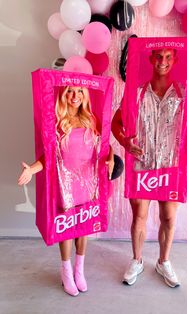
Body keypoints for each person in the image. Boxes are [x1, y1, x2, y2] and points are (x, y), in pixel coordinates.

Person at [112, 48, 187, 288]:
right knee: (139, 217)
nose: (162, 61)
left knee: (169, 218)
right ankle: (137, 260)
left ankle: (163, 262)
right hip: (141, 164)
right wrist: (124, 142)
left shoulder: (185, 94)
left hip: (171, 166)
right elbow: (116, 122)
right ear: (151, 59)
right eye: (158, 56)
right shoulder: (136, 92)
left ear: (174, 60)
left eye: (167, 57)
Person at [18, 86, 114, 296]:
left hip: (88, 180)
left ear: (85, 96)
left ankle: (79, 270)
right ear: (63, 95)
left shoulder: (91, 119)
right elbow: (49, 156)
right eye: (70, 91)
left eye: (80, 91)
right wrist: (33, 169)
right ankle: (66, 271)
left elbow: (105, 145)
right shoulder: (56, 123)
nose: (75, 96)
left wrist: (111, 157)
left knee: (84, 226)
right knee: (68, 228)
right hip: (66, 183)